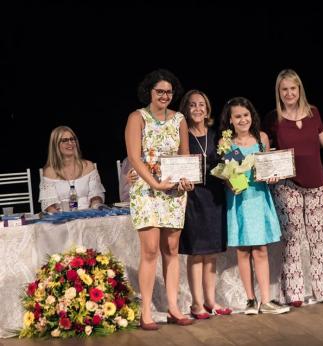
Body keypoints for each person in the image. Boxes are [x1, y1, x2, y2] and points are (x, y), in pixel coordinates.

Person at [125, 68, 194, 330]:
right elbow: (134, 156)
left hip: (174, 190)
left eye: (169, 91)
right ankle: (145, 312)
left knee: (172, 250)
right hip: (146, 188)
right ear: (150, 92)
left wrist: (187, 178)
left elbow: (184, 155)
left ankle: (173, 307)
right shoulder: (137, 117)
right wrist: (154, 183)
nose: (165, 96)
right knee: (150, 250)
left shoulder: (179, 119)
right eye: (159, 91)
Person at [263, 69, 323, 307]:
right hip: (288, 186)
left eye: (292, 88)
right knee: (293, 239)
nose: (289, 93)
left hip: (318, 184)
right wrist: (267, 171)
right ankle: (294, 293)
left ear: (299, 89)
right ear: (279, 92)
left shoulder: (313, 113)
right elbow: (265, 150)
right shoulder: (273, 118)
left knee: (318, 238)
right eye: (284, 89)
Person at [219, 96, 289, 315]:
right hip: (240, 200)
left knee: (260, 249)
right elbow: (226, 174)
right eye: (238, 116)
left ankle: (266, 300)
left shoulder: (262, 139)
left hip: (259, 198)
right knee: (243, 250)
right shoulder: (226, 143)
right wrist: (230, 183)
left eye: (246, 115)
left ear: (252, 116)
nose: (242, 120)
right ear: (230, 120)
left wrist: (273, 177)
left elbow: (269, 167)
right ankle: (250, 300)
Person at [177, 90, 231, 319]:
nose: (198, 109)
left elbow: (229, 162)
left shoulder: (217, 134)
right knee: (196, 253)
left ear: (207, 109)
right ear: (186, 109)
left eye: (202, 104)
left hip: (215, 198)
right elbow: (177, 165)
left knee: (211, 254)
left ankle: (210, 300)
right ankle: (196, 304)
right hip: (193, 199)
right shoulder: (183, 135)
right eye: (192, 105)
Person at [39, 126, 105, 212]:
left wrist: (93, 210)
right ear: (55, 145)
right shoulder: (49, 172)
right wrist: (63, 219)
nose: (70, 143)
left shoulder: (89, 166)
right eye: (65, 140)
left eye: (72, 139)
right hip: (62, 220)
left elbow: (96, 195)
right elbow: (49, 205)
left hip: (88, 216)